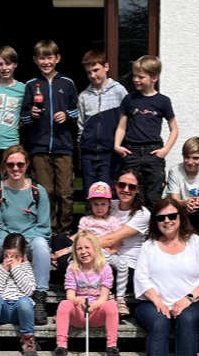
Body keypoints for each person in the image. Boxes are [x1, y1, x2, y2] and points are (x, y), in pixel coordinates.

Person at [134, 200, 199, 356]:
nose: (166, 221)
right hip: (152, 302)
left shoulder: (196, 242)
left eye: (171, 216)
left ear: (180, 217)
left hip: (193, 301)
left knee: (187, 319)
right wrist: (158, 301)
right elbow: (141, 278)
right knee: (160, 322)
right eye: (161, 218)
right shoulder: (149, 245)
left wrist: (188, 299)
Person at [0, 145, 52, 324]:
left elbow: (44, 227)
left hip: (29, 244)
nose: (16, 168)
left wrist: (22, 246)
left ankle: (39, 297)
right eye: (11, 165)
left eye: (20, 164)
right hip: (5, 243)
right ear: (5, 166)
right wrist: (13, 246)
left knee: (41, 244)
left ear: (27, 165)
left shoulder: (38, 191)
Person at [20, 40, 79, 234]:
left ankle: (65, 231)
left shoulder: (67, 83)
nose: (46, 62)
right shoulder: (31, 84)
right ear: (36, 60)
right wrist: (33, 115)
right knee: (45, 192)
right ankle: (50, 231)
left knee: (65, 192)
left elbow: (77, 111)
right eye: (42, 58)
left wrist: (67, 115)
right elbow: (23, 116)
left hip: (63, 145)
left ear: (57, 58)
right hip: (39, 146)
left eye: (50, 57)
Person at [114, 55, 178, 205]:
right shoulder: (129, 99)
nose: (136, 79)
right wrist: (117, 145)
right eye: (135, 76)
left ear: (154, 78)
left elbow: (174, 129)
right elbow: (122, 126)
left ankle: (152, 228)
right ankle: (131, 227)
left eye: (141, 77)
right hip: (131, 152)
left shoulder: (163, 101)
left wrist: (165, 151)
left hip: (153, 152)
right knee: (130, 195)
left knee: (153, 196)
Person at [53, 231, 121, 356]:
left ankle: (112, 347)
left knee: (111, 305)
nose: (83, 252)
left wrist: (94, 307)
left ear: (95, 248)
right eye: (79, 248)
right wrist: (78, 301)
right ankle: (61, 347)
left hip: (97, 314)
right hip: (79, 313)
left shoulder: (105, 269)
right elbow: (70, 296)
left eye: (87, 247)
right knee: (64, 304)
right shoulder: (72, 269)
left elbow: (104, 297)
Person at [56, 182, 128, 293]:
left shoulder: (113, 221)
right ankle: (77, 283)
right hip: (86, 252)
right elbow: (78, 238)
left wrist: (111, 252)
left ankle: (118, 295)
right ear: (91, 204)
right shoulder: (86, 220)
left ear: (109, 203)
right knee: (58, 239)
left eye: (103, 204)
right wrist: (64, 247)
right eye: (96, 204)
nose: (99, 208)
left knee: (122, 265)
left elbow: (118, 243)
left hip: (105, 253)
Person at [98, 169, 152, 313]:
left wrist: (75, 247)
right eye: (122, 185)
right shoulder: (109, 205)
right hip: (103, 258)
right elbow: (88, 227)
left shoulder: (143, 214)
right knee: (60, 241)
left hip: (126, 268)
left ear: (138, 190)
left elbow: (110, 240)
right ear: (115, 185)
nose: (126, 190)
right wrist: (69, 243)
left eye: (132, 187)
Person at [0, 233, 38, 356]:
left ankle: (28, 339)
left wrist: (16, 269)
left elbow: (28, 291)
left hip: (20, 311)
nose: (10, 260)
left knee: (25, 301)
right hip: (3, 309)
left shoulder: (27, 268)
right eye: (7, 256)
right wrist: (5, 270)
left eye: (16, 256)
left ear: (23, 256)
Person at [78, 50, 127, 194]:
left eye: (96, 70)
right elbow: (80, 127)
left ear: (106, 67)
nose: (93, 75)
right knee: (90, 194)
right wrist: (81, 151)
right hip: (89, 154)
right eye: (88, 72)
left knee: (107, 194)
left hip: (110, 154)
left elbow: (126, 122)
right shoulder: (83, 96)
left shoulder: (119, 91)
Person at [168, 137, 199, 236]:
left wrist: (195, 202)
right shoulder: (175, 171)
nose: (190, 162)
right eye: (187, 157)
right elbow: (174, 200)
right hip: (181, 208)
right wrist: (186, 203)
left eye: (195, 158)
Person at [0, 46, 25, 173]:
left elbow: (27, 113)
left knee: (11, 180)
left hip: (12, 144)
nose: (4, 68)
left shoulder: (23, 88)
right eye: (0, 64)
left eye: (8, 63)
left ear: (15, 64)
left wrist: (20, 125)